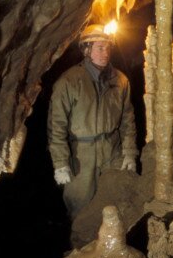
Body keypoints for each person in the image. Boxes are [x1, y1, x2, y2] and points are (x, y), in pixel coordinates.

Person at [48, 23, 138, 216]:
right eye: (99, 47)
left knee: (118, 205)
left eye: (108, 47)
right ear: (86, 50)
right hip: (81, 156)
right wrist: (60, 163)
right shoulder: (68, 82)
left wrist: (129, 153)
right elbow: (56, 127)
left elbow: (127, 121)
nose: (105, 52)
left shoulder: (120, 81)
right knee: (81, 209)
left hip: (112, 151)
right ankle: (83, 245)